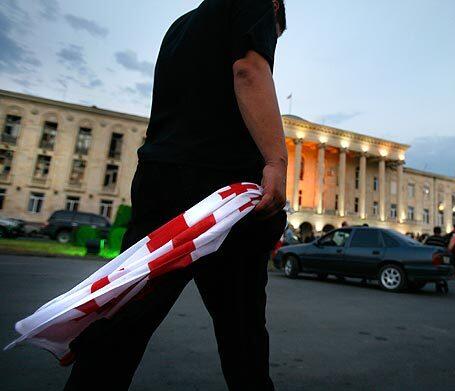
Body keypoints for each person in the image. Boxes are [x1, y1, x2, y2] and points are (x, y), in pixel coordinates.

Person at [64, 1, 288, 390]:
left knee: (126, 317)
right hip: (221, 196)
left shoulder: (179, 28)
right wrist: (276, 160)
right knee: (243, 334)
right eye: (276, 31)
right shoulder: (256, 3)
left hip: (159, 177)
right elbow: (248, 70)